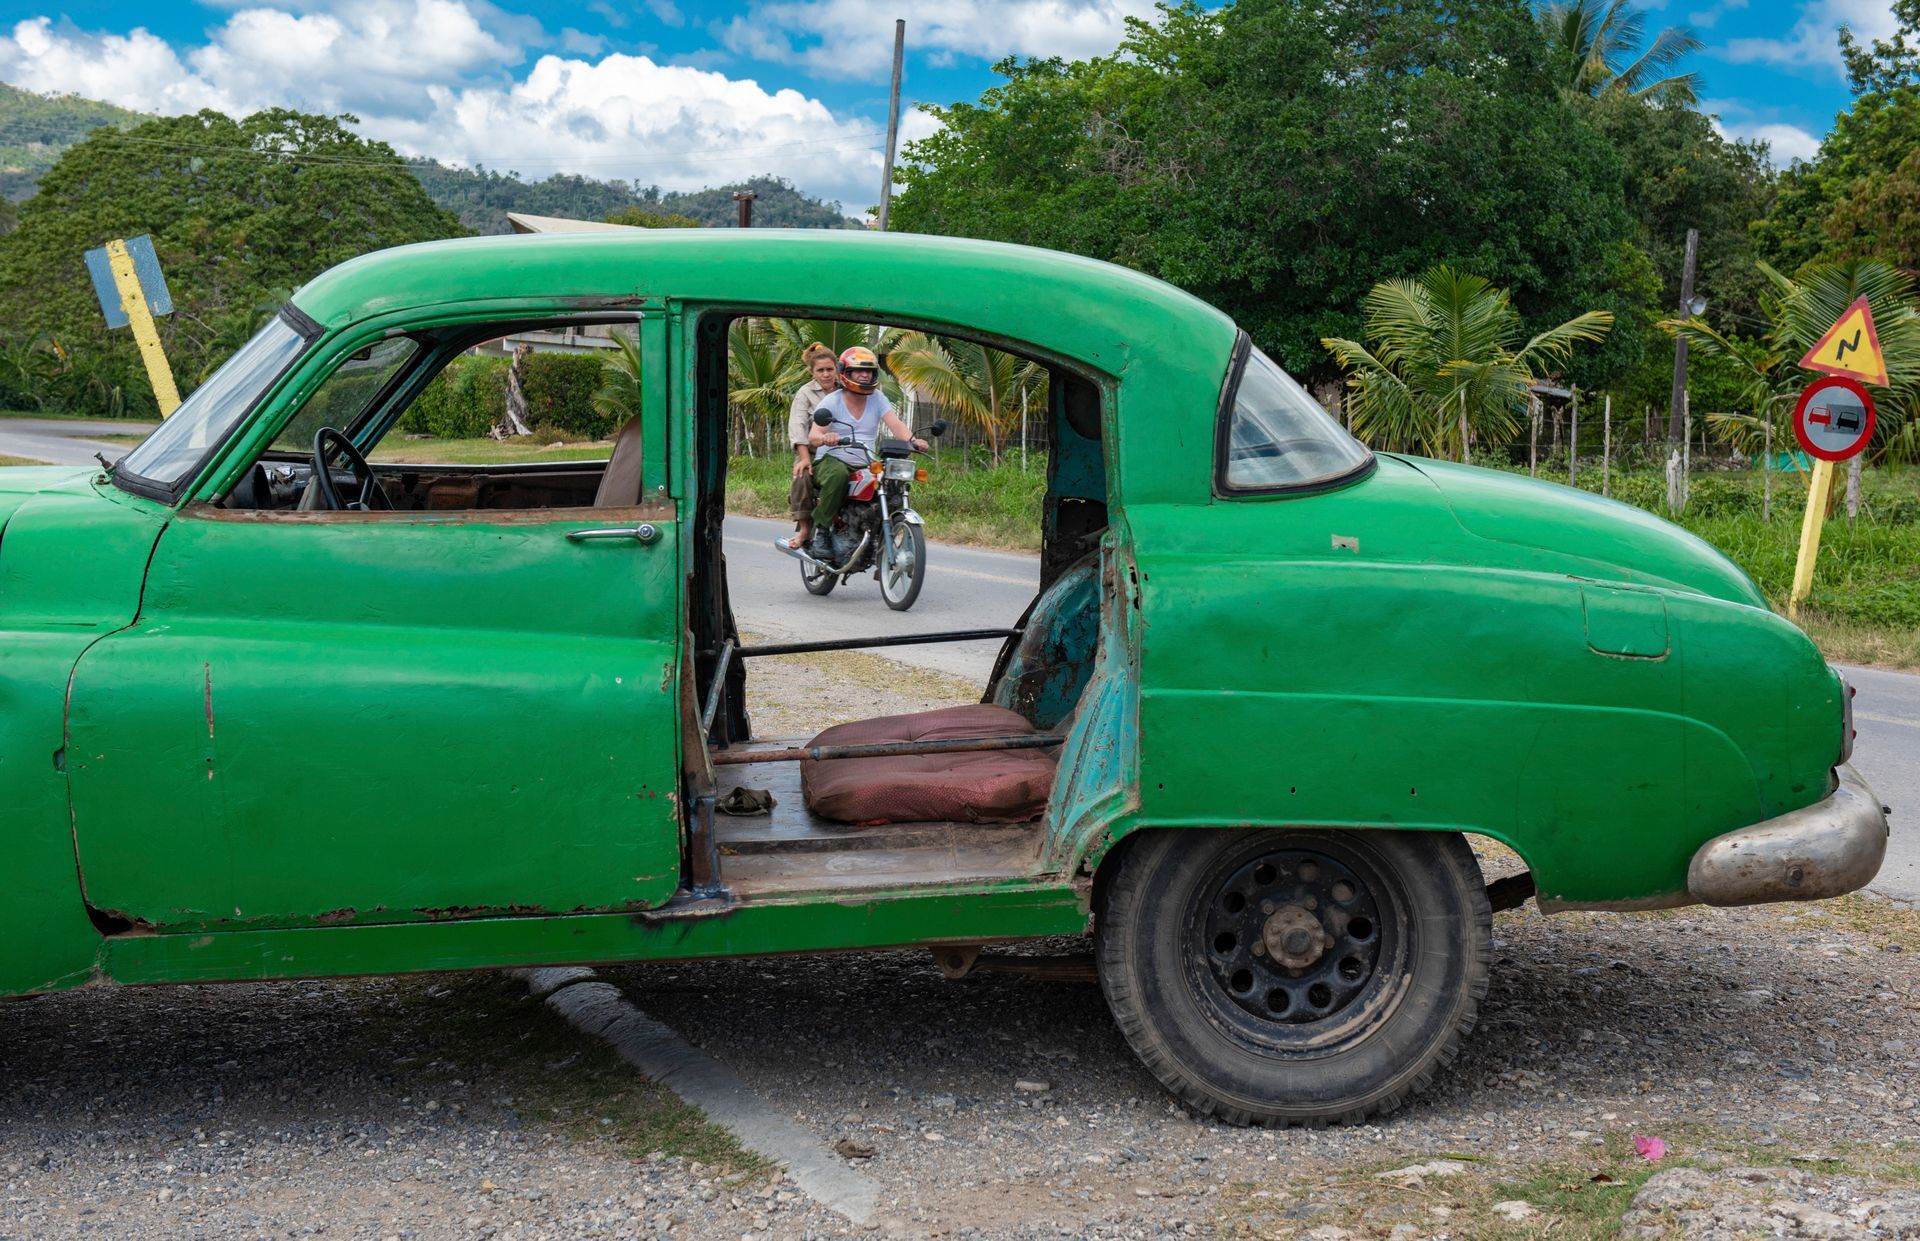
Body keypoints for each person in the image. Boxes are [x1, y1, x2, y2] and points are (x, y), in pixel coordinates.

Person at [807, 345, 927, 562]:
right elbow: (814, 435)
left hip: (865, 461)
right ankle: (822, 532)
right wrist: (826, 438)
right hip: (832, 459)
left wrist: (913, 441)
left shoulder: (877, 398)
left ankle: (878, 533)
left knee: (891, 483)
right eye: (858, 371)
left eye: (869, 371)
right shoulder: (832, 401)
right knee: (838, 476)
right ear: (846, 373)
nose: (864, 375)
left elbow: (896, 424)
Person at [784, 343, 839, 550]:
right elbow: (797, 427)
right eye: (820, 370)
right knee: (802, 475)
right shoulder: (805, 393)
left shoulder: (847, 389)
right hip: (813, 450)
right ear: (812, 372)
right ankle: (805, 528)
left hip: (844, 450)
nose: (826, 374)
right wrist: (805, 458)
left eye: (829, 369)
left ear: (837, 369)